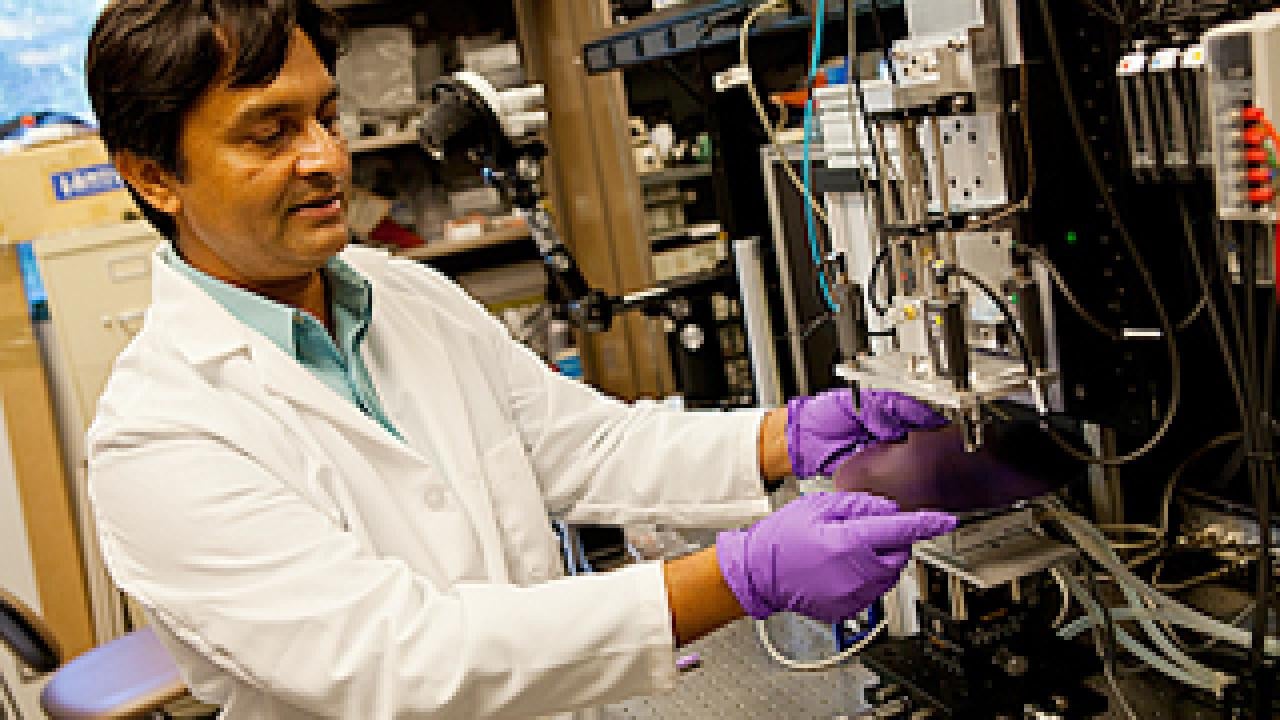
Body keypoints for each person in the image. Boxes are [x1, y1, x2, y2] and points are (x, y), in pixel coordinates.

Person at [83, 1, 955, 718]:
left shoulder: (400, 293)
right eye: (269, 134)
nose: (325, 157)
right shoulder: (160, 435)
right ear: (154, 176)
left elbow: (587, 447)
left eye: (326, 116)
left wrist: (793, 436)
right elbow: (401, 659)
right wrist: (741, 577)